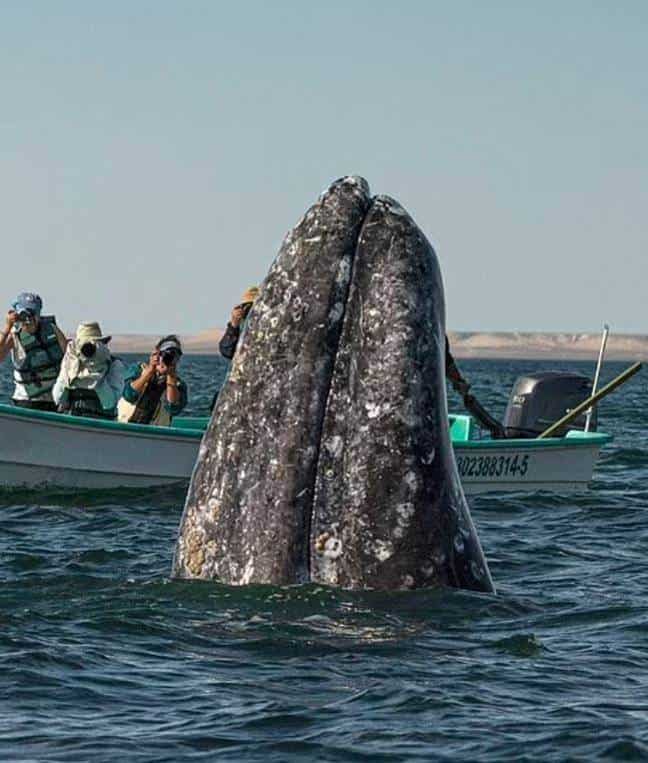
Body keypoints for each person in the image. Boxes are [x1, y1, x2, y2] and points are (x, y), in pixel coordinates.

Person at [0, 292, 67, 411]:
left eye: (32, 314)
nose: (28, 319)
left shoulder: (52, 330)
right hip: (26, 400)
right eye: (24, 314)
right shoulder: (14, 335)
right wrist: (7, 327)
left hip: (53, 400)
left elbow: (69, 357)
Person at [53, 322, 125, 419]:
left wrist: (97, 377)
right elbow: (57, 398)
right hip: (73, 421)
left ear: (102, 345)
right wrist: (68, 374)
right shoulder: (71, 364)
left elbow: (109, 403)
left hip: (101, 424)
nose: (88, 350)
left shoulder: (114, 365)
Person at [118, 335, 188, 426]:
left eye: (173, 357)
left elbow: (174, 407)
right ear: (157, 354)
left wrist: (171, 377)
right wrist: (149, 371)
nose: (168, 359)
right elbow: (128, 394)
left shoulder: (178, 385)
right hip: (125, 427)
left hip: (154, 433)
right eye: (165, 354)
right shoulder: (138, 370)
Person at [219, 286, 260, 359]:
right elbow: (226, 351)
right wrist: (234, 325)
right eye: (246, 306)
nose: (251, 310)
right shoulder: (241, 327)